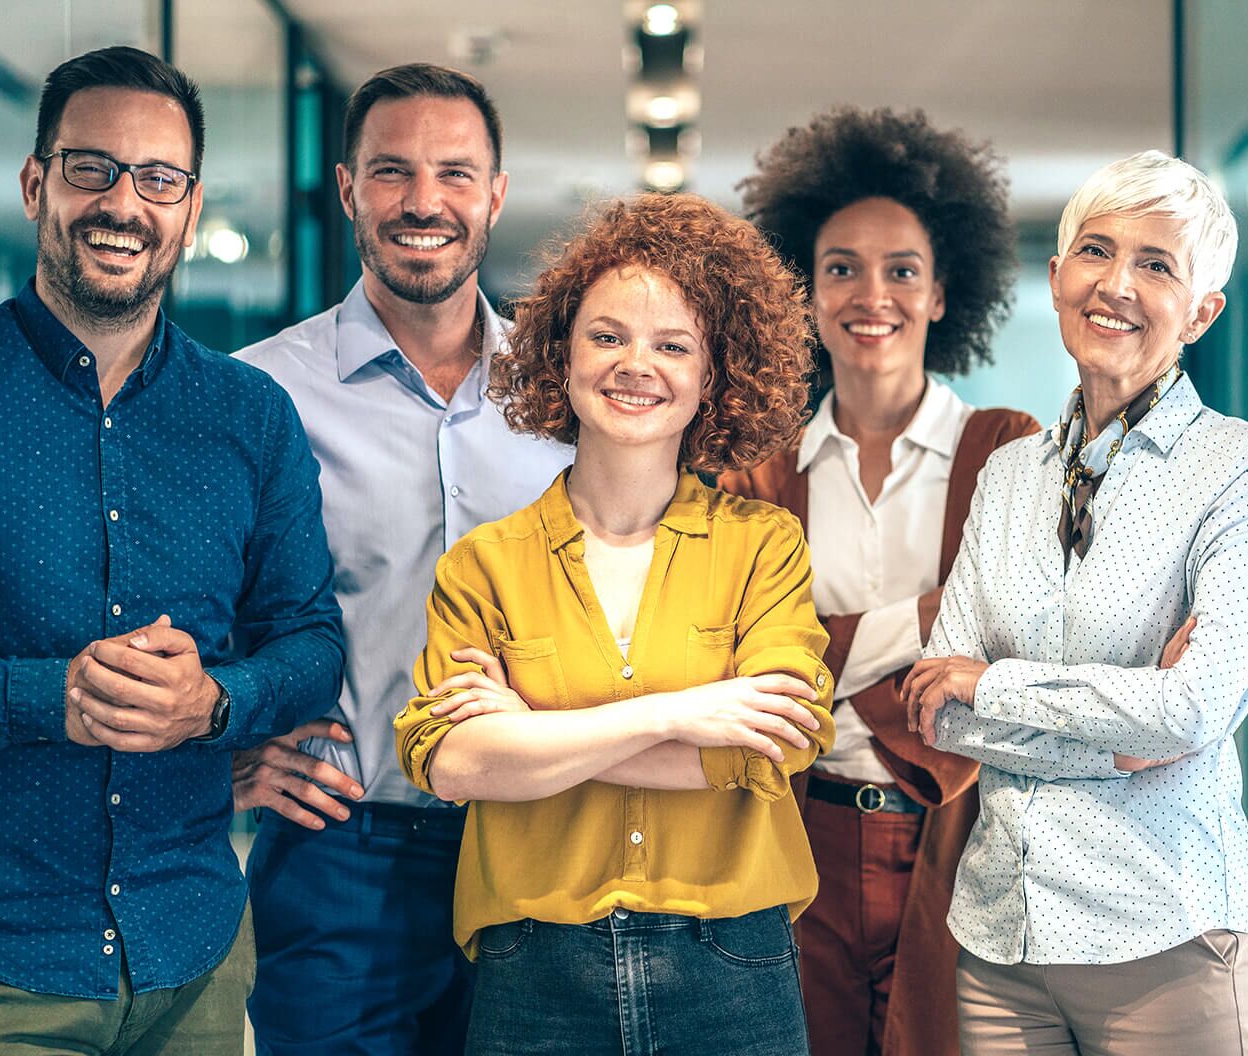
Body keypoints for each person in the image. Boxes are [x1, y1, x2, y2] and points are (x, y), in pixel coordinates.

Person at [0, 46, 344, 1054]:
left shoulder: (251, 417)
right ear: (38, 182)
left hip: (195, 947)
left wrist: (212, 702)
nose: (124, 203)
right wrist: (52, 701)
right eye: (93, 168)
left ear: (190, 202)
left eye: (158, 178)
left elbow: (308, 637)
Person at [395, 192, 836, 1055]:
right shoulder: (485, 564)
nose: (638, 364)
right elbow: (453, 763)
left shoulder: (764, 546)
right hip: (535, 971)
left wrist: (535, 740)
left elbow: (771, 742)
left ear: (713, 378)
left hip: (731, 965)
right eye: (607, 336)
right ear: (560, 357)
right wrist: (675, 715)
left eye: (674, 345)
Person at [905, 149, 1248, 1056]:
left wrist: (990, 685)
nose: (1117, 284)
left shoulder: (1247, 472)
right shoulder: (1004, 476)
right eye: (1097, 251)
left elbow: (1192, 708)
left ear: (1203, 312)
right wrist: (1123, 738)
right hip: (1002, 945)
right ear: (1057, 276)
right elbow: (933, 711)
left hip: (1168, 940)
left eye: (1157, 265)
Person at [233, 64, 571, 1056]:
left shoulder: (566, 404)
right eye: (392, 172)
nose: (424, 201)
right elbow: (190, 602)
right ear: (346, 189)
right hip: (342, 854)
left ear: (495, 195)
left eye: (455, 173)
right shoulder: (261, 397)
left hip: (535, 847)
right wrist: (227, 758)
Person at [722, 107, 1036, 1056]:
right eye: (841, 268)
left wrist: (818, 649)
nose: (873, 293)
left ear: (941, 293)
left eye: (902, 268)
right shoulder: (757, 470)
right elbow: (738, 655)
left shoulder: (1006, 451)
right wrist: (936, 629)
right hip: (797, 841)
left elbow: (1021, 632)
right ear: (804, 294)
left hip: (962, 840)